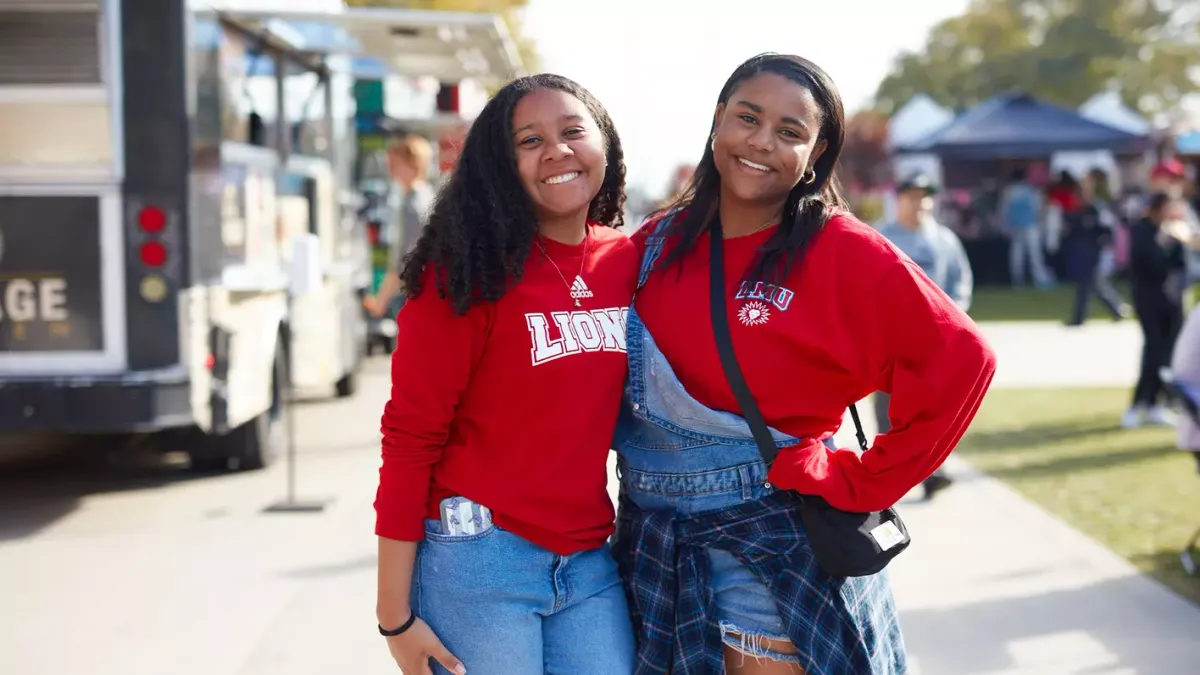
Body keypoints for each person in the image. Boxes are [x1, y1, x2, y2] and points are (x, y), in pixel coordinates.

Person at [612, 53, 997, 674]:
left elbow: (963, 357)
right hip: (650, 559)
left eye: (791, 132)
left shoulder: (839, 249)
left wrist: (866, 481)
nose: (761, 142)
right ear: (718, 122)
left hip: (769, 569)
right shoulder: (652, 246)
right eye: (748, 118)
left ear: (816, 153)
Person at [374, 73, 637, 675]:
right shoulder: (465, 276)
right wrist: (394, 615)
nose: (556, 150)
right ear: (500, 162)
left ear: (606, 144)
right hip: (479, 559)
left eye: (574, 130)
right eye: (528, 140)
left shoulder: (627, 261)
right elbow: (410, 441)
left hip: (589, 558)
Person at [876, 173, 974, 500]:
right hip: (892, 340)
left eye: (925, 197)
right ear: (899, 199)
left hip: (934, 341)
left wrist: (954, 316)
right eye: (913, 196)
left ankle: (932, 471)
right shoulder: (883, 237)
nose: (920, 203)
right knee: (892, 410)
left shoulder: (944, 239)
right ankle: (885, 474)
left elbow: (961, 282)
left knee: (930, 411)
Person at [1124, 192, 1189, 429]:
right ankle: (1138, 403)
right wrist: (1165, 244)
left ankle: (1157, 403)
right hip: (1149, 300)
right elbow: (1146, 263)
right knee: (1153, 351)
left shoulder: (1174, 231)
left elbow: (1181, 265)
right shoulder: (1142, 231)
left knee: (1168, 354)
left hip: (1172, 300)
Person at [365, 133, 436, 317]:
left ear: (413, 165)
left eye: (395, 163)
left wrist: (380, 301)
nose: (390, 169)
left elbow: (404, 260)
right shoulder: (428, 196)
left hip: (417, 294)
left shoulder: (412, 204)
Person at [1064, 170, 1130, 326]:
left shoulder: (1097, 210)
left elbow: (1107, 231)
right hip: (1082, 252)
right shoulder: (1079, 211)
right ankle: (1117, 309)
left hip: (1094, 253)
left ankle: (1080, 317)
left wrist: (1103, 246)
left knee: (1088, 285)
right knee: (1094, 285)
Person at [1001, 167, 1052, 288]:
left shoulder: (1009, 191)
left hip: (1016, 226)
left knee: (1017, 254)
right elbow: (1038, 209)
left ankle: (1017, 280)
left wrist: (1005, 226)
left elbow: (1004, 211)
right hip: (1030, 225)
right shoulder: (1031, 190)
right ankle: (1039, 279)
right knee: (1034, 254)